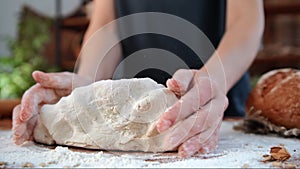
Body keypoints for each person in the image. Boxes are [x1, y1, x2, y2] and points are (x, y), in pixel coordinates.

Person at [12, 0, 264, 158]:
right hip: (124, 115)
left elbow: (245, 22)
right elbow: (108, 25)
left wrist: (210, 82)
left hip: (217, 112)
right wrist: (88, 82)